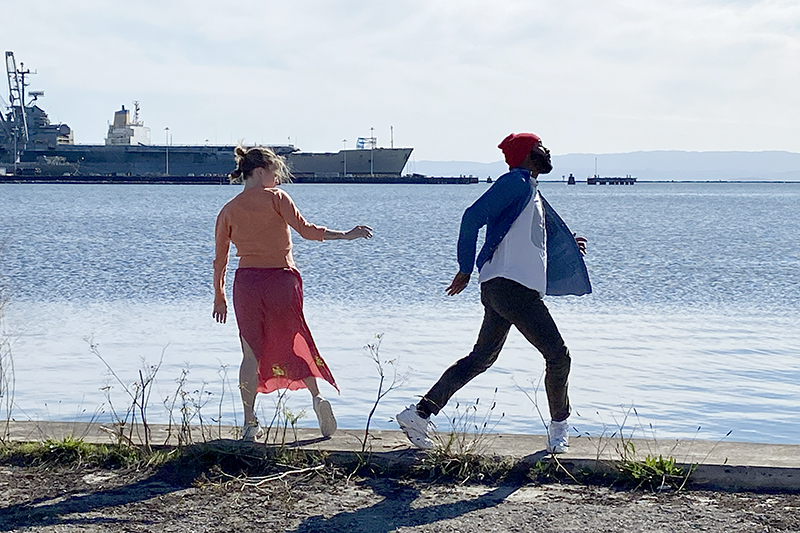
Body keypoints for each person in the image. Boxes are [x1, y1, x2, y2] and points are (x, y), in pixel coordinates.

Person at [396, 133, 591, 453]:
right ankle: (559, 430)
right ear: (529, 154)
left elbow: (529, 243)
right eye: (541, 147)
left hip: (504, 287)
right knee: (558, 355)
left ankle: (419, 414)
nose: (548, 150)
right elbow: (472, 217)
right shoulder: (515, 182)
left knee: (481, 358)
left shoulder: (529, 189)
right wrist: (464, 267)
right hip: (511, 288)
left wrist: (569, 248)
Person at [213, 145, 372, 441]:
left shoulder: (229, 209)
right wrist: (346, 235)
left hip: (246, 284)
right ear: (261, 172)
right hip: (282, 282)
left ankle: (250, 423)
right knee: (296, 340)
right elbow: (307, 231)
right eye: (275, 173)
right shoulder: (277, 199)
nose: (278, 180)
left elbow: (220, 260)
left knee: (250, 354)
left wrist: (218, 296)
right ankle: (317, 397)